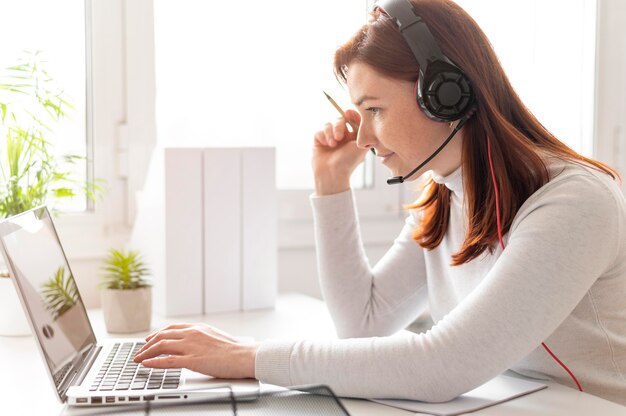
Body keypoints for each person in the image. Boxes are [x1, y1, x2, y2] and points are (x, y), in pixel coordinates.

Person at [133, 0, 626, 405]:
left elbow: (443, 366)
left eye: (374, 110)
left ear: (446, 94)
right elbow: (362, 324)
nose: (363, 137)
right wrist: (331, 186)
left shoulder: (573, 200)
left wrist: (249, 358)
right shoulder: (446, 194)